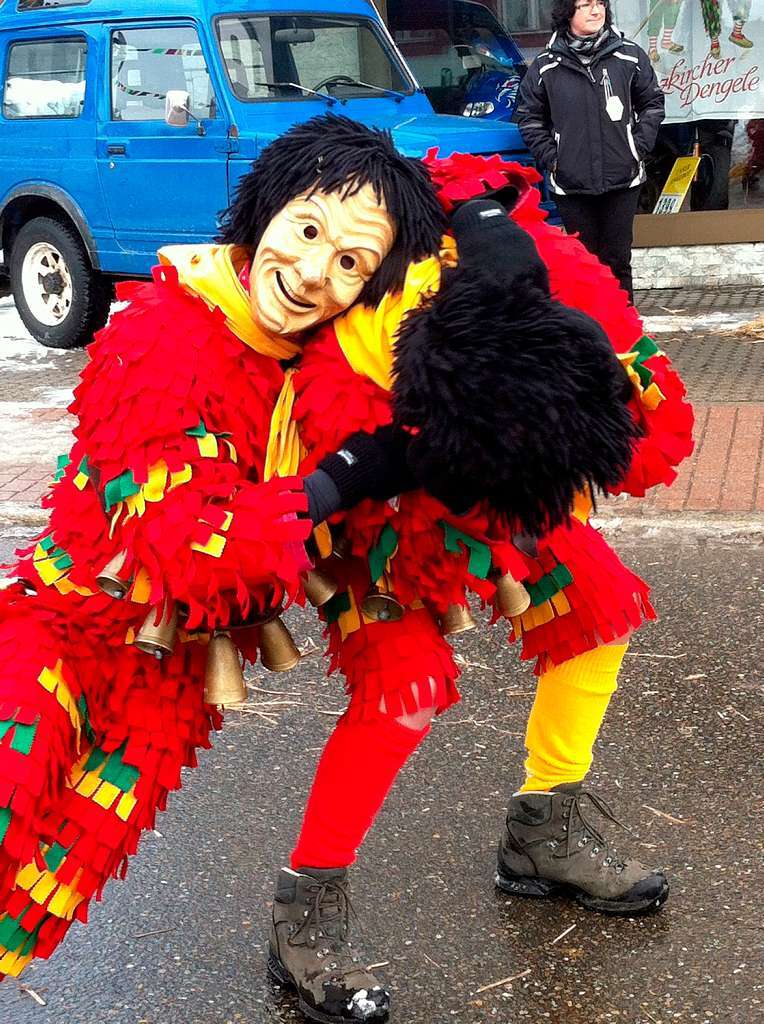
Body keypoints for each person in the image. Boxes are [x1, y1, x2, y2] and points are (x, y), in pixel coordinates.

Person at [0, 116, 694, 1024]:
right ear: (262, 211)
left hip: (241, 616)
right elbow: (194, 552)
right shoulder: (171, 338)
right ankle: (309, 916)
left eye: (354, 263)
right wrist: (353, 477)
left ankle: (544, 826)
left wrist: (488, 220)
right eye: (307, 231)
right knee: (27, 815)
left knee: (594, 606)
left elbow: (422, 169)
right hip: (129, 610)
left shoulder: (398, 282)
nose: (319, 270)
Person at [515, 0, 665, 301]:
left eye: (600, 4)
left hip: (622, 179)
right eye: (585, 5)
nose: (596, 11)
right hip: (572, 183)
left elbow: (652, 104)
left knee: (617, 261)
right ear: (567, 13)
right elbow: (529, 117)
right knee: (583, 264)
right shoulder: (546, 65)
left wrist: (636, 147)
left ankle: (626, 336)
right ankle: (591, 337)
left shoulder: (629, 56)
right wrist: (554, 159)